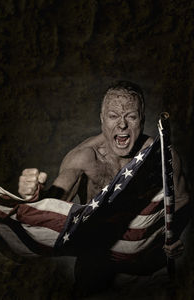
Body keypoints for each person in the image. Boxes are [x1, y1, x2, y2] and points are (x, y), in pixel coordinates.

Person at [18, 81, 190, 295]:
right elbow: (53, 205)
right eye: (113, 116)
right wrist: (34, 195)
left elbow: (182, 199)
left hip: (147, 268)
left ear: (142, 120)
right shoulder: (84, 158)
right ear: (101, 120)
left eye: (131, 116)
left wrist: (173, 236)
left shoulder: (163, 156)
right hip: (96, 267)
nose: (122, 125)